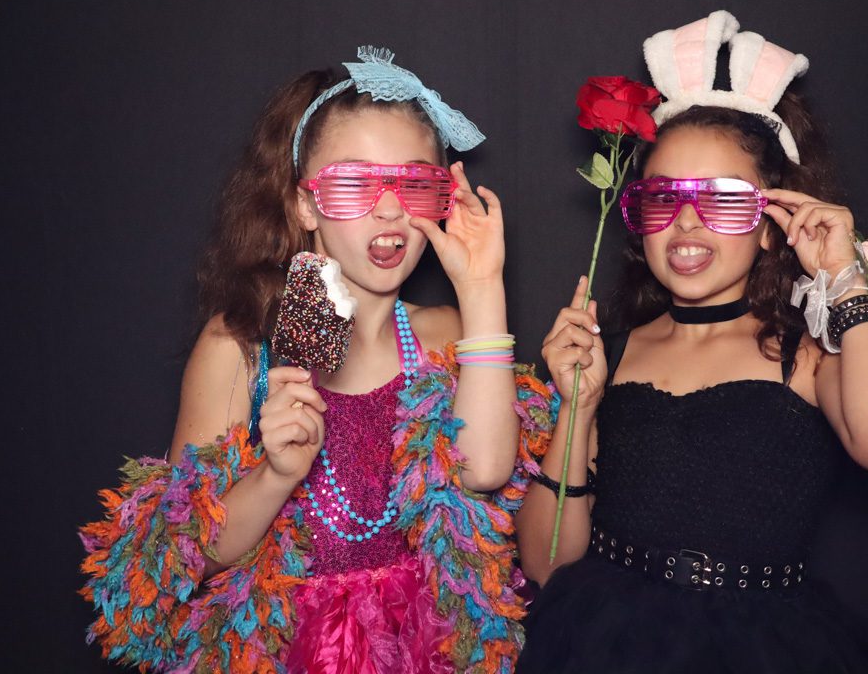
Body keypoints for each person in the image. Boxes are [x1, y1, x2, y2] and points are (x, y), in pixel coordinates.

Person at [80, 47, 555, 674]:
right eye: (355, 183)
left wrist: (482, 285)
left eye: (415, 183)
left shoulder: (445, 334)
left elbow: (487, 470)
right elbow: (186, 556)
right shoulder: (241, 349)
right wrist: (276, 475)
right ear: (306, 204)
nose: (389, 208)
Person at [516, 11, 868, 673]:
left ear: (773, 223)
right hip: (608, 645)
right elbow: (547, 566)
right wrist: (578, 406)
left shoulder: (809, 353)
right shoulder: (610, 353)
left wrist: (845, 280)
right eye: (664, 198)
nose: (687, 222)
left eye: (723, 200)